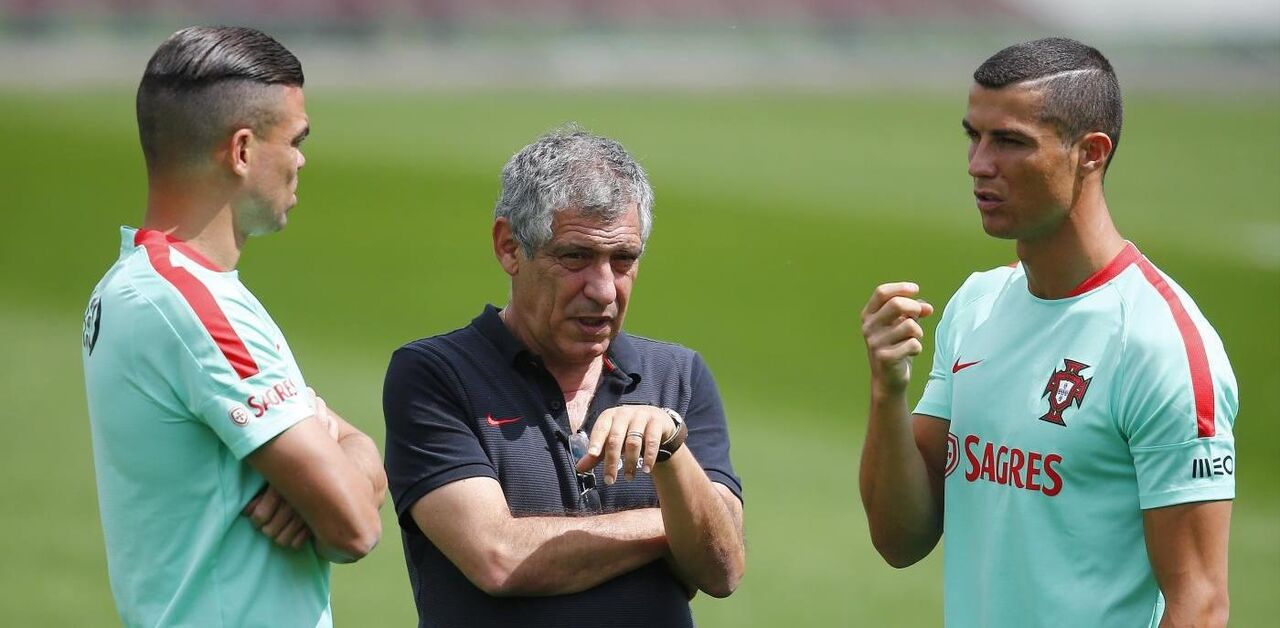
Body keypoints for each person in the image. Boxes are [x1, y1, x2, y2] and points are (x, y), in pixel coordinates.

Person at [858, 37, 1236, 628]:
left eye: (1010, 141)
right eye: (974, 136)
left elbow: (1200, 605)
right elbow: (899, 538)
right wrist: (888, 391)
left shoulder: (1157, 344)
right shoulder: (977, 306)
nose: (978, 164)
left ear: (1090, 153)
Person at [80, 26, 386, 627]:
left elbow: (355, 471)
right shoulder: (192, 307)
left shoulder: (138, 285)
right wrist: (335, 468)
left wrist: (340, 458)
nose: (301, 160)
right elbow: (354, 526)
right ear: (242, 150)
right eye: (295, 140)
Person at [383, 127, 746, 628]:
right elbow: (498, 557)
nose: (604, 290)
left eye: (623, 260)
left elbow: (723, 566)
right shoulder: (435, 374)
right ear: (510, 247)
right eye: (576, 257)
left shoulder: (678, 377)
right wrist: (671, 526)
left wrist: (669, 447)